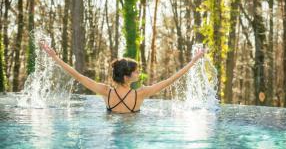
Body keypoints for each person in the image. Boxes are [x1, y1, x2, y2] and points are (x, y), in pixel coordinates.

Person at [39, 41, 205, 113]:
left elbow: (78, 76)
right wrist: (193, 61)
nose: (139, 73)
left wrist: (55, 58)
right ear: (127, 77)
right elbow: (171, 80)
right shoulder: (140, 93)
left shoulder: (106, 92)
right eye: (136, 71)